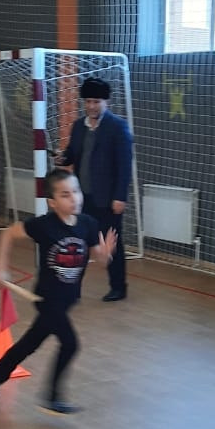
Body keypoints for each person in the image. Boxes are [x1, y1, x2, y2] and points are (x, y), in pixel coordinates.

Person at [0, 169, 116, 415]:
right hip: (47, 299)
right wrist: (0, 266)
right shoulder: (44, 225)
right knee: (70, 344)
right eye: (65, 195)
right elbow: (8, 233)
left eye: (76, 191)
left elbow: (99, 258)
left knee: (30, 344)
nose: (74, 198)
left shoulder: (87, 224)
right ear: (52, 202)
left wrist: (106, 255)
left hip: (68, 299)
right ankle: (52, 397)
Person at [60, 77, 133, 302]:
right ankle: (73, 290)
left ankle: (118, 287)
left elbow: (124, 166)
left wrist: (120, 197)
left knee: (111, 244)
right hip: (82, 198)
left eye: (96, 102)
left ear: (105, 102)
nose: (91, 106)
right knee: (78, 243)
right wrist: (62, 158)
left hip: (107, 199)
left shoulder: (117, 127)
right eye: (88, 101)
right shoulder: (78, 126)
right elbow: (72, 154)